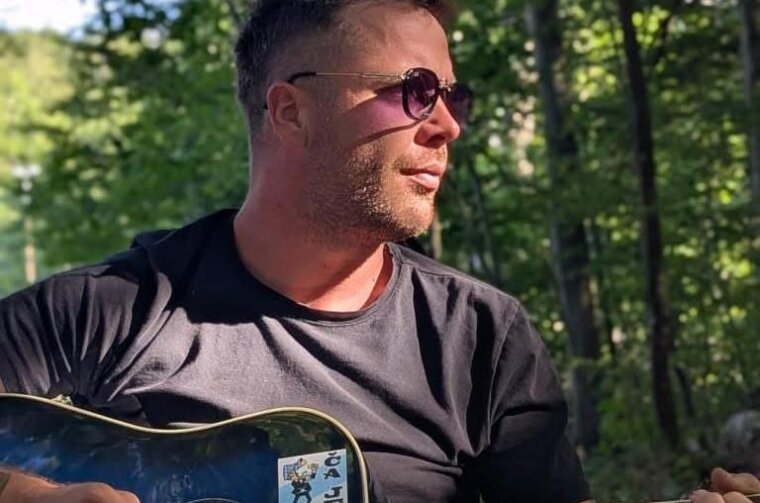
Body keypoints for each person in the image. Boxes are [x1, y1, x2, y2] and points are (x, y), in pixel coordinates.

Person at [0, 1, 755, 502]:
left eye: (454, 97)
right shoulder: (109, 311)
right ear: (291, 112)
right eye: (416, 90)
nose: (448, 126)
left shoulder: (481, 338)